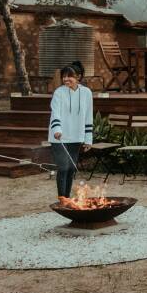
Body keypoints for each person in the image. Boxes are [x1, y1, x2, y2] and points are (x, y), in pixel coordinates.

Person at [49, 61, 93, 198]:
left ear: (78, 77)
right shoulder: (59, 92)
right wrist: (57, 129)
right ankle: (62, 199)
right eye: (64, 76)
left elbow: (88, 116)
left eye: (70, 76)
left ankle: (66, 199)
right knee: (63, 168)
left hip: (76, 136)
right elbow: (55, 112)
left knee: (71, 169)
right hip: (59, 137)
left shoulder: (86, 93)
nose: (66, 79)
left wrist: (88, 139)